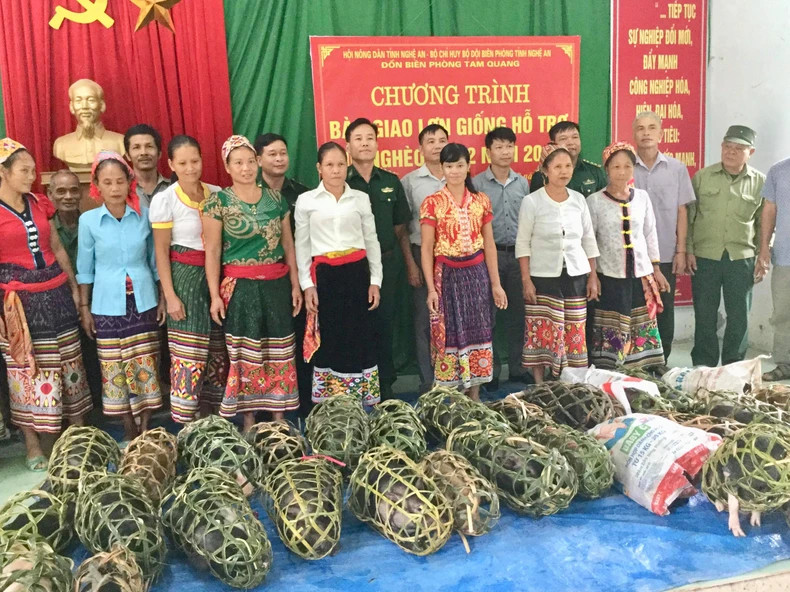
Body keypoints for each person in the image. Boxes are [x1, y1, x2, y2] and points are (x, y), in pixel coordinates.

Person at [0, 138, 92, 470]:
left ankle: (78, 435)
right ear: (4, 172)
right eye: (24, 170)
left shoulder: (40, 203)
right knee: (26, 370)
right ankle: (33, 442)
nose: (32, 175)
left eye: (33, 169)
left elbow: (57, 246)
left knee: (70, 364)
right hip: (17, 304)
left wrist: (74, 288)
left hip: (55, 295)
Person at [202, 135, 301, 430]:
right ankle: (247, 419)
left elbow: (288, 245)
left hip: (275, 285)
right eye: (238, 163)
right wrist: (214, 295)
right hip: (240, 289)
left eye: (249, 162)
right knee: (246, 353)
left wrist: (295, 285)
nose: (245, 168)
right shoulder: (217, 202)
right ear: (227, 167)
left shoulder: (275, 199)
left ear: (257, 163)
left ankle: (279, 417)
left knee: (279, 349)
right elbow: (213, 251)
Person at [77, 151, 163, 442]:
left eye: (119, 181)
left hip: (143, 302)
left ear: (130, 182)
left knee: (145, 364)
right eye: (107, 182)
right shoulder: (89, 221)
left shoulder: (143, 216)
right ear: (97, 186)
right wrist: (85, 308)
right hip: (106, 305)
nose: (114, 188)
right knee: (113, 367)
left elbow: (155, 262)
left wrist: (162, 297)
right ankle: (127, 426)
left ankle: (146, 425)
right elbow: (84, 269)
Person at [295, 142, 382, 406]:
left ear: (347, 166)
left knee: (359, 335)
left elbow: (371, 239)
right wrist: (307, 285)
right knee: (330, 338)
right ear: (319, 168)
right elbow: (302, 244)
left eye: (341, 164)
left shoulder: (360, 198)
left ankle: (361, 403)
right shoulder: (306, 200)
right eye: (329, 165)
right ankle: (332, 405)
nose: (336, 170)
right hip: (325, 278)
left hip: (357, 275)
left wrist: (375, 281)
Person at [149, 135, 228, 423]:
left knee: (217, 350)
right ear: (170, 164)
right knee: (189, 352)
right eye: (182, 163)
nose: (190, 168)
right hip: (184, 278)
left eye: (195, 161)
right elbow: (161, 251)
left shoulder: (218, 194)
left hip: (216, 277)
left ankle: (216, 420)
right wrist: (170, 295)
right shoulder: (164, 200)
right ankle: (187, 423)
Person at [420, 143, 507, 400]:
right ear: (442, 168)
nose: (455, 171)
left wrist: (496, 284)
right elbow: (426, 248)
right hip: (446, 276)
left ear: (468, 167)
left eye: (460, 165)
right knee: (448, 334)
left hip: (477, 274)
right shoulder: (432, 203)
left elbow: (489, 244)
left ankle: (475, 394)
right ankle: (452, 398)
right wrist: (430, 289)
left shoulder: (481, 201)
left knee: (479, 329)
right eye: (449, 165)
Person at [515, 147, 600, 382]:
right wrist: (526, 280)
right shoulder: (532, 202)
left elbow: (588, 240)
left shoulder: (579, 200)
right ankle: (540, 383)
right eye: (557, 167)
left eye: (568, 166)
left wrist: (593, 276)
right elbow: (522, 244)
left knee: (574, 331)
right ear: (545, 170)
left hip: (575, 274)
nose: (564, 171)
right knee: (541, 329)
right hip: (542, 276)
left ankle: (574, 381)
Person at [587, 142, 670, 369]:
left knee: (641, 321)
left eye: (627, 166)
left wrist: (656, 269)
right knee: (614, 323)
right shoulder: (595, 201)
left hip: (641, 274)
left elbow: (650, 233)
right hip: (610, 275)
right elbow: (589, 241)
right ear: (607, 169)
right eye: (616, 167)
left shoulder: (642, 197)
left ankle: (644, 367)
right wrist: (592, 275)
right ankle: (612, 367)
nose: (622, 172)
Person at [687, 126, 765, 367]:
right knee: (705, 313)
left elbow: (764, 223)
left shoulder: (760, 181)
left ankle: (734, 364)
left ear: (750, 152)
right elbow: (690, 217)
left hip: (741, 258)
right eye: (727, 146)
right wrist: (688, 250)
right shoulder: (703, 176)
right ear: (721, 147)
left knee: (739, 316)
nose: (731, 152)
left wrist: (763, 254)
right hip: (705, 256)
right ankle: (704, 363)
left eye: (738, 148)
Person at [345, 118, 411, 399]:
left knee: (386, 324)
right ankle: (357, 386)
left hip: (388, 263)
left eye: (370, 137)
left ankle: (385, 384)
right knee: (356, 325)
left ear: (377, 143)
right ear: (347, 145)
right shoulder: (340, 181)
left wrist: (409, 265)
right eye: (358, 138)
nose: (364, 143)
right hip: (351, 267)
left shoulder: (391, 181)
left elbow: (400, 229)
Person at [254, 132, 312, 415]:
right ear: (258, 159)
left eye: (283, 153)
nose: (279, 159)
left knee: (299, 339)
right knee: (263, 344)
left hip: (297, 277)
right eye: (272, 154)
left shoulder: (302, 194)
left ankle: (300, 405)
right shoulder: (247, 193)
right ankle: (265, 408)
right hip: (260, 279)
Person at [632, 111, 696, 363]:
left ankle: (662, 360)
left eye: (651, 128)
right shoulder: (625, 166)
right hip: (634, 253)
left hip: (666, 251)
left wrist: (680, 251)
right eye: (640, 128)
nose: (646, 133)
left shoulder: (677, 168)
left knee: (664, 307)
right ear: (634, 134)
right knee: (637, 308)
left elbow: (682, 210)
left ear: (661, 134)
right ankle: (637, 361)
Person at [472, 127, 530, 385]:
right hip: (488, 258)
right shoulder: (477, 185)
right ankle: (490, 372)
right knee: (489, 317)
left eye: (509, 146)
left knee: (518, 315)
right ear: (488, 152)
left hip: (518, 257)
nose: (505, 152)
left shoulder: (522, 183)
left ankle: (517, 368)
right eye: (499, 147)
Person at [48, 169, 103, 402]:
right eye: (61, 191)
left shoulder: (91, 223)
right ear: (50, 194)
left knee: (95, 355)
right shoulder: (44, 228)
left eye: (73, 190)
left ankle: (99, 410)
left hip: (92, 299)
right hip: (58, 300)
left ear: (81, 193)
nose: (68, 196)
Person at [401, 123, 448, 393]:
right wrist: (411, 264)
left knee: (452, 318)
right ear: (421, 149)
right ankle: (428, 381)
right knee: (425, 320)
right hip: (421, 255)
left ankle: (452, 376)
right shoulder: (410, 182)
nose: (437, 145)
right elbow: (404, 230)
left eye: (442, 140)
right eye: (431, 141)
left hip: (454, 257)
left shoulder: (459, 176)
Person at [756, 155, 790, 381]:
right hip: (785, 255)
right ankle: (785, 363)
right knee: (783, 313)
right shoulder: (778, 170)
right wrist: (764, 247)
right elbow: (769, 210)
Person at [53, 79, 126, 171]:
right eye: (78, 101)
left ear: (102, 105)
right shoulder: (60, 145)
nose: (84, 106)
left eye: (91, 100)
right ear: (72, 107)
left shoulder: (120, 142)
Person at [529, 121, 607, 197]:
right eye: (563, 139)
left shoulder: (594, 172)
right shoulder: (542, 175)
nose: (571, 142)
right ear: (553, 143)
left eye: (575, 137)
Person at [124, 124, 169, 209]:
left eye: (149, 146)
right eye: (136, 147)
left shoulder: (174, 188)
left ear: (159, 153)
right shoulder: (122, 190)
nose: (143, 152)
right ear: (128, 155)